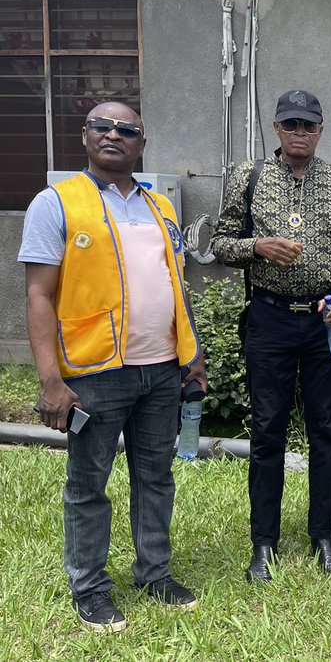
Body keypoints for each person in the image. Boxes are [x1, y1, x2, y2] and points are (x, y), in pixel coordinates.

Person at [20, 102, 207, 631]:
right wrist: (51, 380)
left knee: (156, 477)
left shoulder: (160, 209)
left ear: (141, 144)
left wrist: (192, 356)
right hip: (94, 371)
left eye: (127, 130)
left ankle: (154, 573)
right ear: (85, 136)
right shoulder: (56, 203)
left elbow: (176, 286)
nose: (114, 135)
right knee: (89, 484)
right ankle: (91, 588)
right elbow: (38, 296)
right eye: (103, 127)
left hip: (161, 369)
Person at [211, 90, 331, 582]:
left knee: (327, 430)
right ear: (277, 129)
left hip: (326, 321)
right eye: (291, 125)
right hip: (271, 320)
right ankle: (264, 543)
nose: (299, 133)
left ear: (321, 129)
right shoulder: (249, 177)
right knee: (267, 432)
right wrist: (256, 247)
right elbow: (220, 245)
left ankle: (323, 534)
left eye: (308, 125)